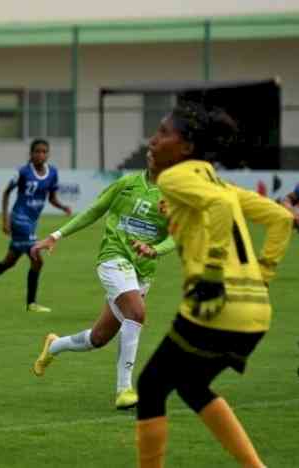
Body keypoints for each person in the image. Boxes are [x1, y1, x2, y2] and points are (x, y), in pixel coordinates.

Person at [135, 102, 293, 467]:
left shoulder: (177, 178)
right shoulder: (216, 180)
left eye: (162, 132)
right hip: (255, 314)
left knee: (152, 386)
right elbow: (281, 220)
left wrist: (212, 271)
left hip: (215, 306)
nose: (154, 140)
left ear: (186, 148)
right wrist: (264, 274)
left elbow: (219, 206)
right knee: (191, 386)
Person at [30, 151, 174, 410]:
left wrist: (156, 250)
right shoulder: (127, 183)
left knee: (98, 338)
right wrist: (57, 235)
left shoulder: (175, 195)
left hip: (143, 270)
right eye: (151, 152)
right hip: (113, 257)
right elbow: (95, 210)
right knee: (137, 313)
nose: (154, 155)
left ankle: (54, 346)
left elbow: (178, 235)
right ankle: (124, 390)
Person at [0, 139, 71, 313]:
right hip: (20, 221)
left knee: (9, 262)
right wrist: (4, 220)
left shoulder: (52, 173)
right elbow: (6, 192)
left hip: (32, 223)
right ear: (31, 154)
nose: (41, 155)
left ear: (48, 154)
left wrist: (62, 207)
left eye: (44, 152)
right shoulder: (23, 172)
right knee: (37, 259)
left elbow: (51, 198)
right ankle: (31, 304)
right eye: (37, 151)